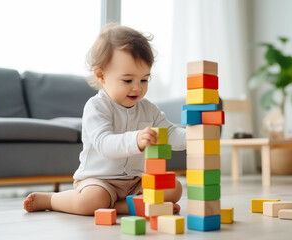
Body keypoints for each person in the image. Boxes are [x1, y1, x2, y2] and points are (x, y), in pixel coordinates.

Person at [23, 23, 186, 215]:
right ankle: (52, 199)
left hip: (136, 181)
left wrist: (195, 137)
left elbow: (170, 132)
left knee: (174, 188)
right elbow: (104, 143)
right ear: (101, 75)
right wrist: (136, 140)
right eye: (128, 80)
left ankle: (119, 207)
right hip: (100, 181)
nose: (137, 88)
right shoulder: (97, 107)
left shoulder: (149, 108)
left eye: (144, 79)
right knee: (92, 201)